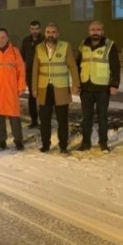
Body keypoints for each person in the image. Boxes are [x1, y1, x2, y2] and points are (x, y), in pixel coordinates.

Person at [31, 23, 80, 154]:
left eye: (53, 32)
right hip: (44, 88)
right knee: (45, 120)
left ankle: (63, 145)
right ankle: (45, 144)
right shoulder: (39, 48)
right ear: (45, 33)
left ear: (58, 34)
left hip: (61, 88)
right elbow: (35, 69)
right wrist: (34, 88)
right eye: (48, 32)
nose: (50, 34)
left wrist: (76, 83)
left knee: (62, 120)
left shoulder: (65, 46)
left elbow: (73, 66)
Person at [76, 21, 121, 152]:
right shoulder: (83, 45)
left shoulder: (109, 45)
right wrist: (77, 84)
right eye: (92, 29)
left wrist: (114, 84)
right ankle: (85, 143)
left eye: (98, 29)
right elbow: (78, 66)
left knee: (102, 117)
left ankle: (103, 143)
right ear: (89, 31)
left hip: (103, 88)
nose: (95, 32)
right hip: (86, 87)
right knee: (86, 117)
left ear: (103, 31)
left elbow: (115, 66)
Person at [20, 20, 43, 129]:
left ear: (40, 29)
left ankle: (44, 120)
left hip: (42, 73)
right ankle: (34, 120)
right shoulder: (26, 41)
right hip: (30, 73)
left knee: (43, 97)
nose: (34, 31)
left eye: (36, 29)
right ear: (30, 29)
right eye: (32, 29)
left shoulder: (44, 41)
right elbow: (22, 57)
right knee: (32, 98)